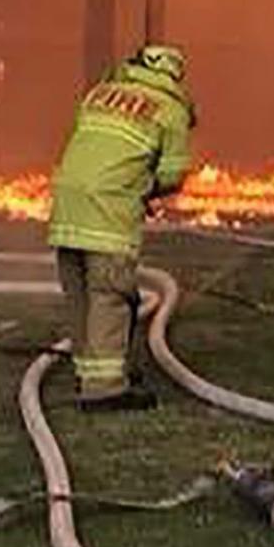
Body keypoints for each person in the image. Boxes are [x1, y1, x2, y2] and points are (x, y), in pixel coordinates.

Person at [47, 43, 196, 410]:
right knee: (110, 294)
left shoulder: (100, 93)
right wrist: (145, 188)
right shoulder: (170, 109)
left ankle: (90, 372)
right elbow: (172, 175)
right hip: (108, 209)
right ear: (175, 75)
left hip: (67, 204)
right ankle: (106, 389)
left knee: (80, 291)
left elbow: (88, 146)